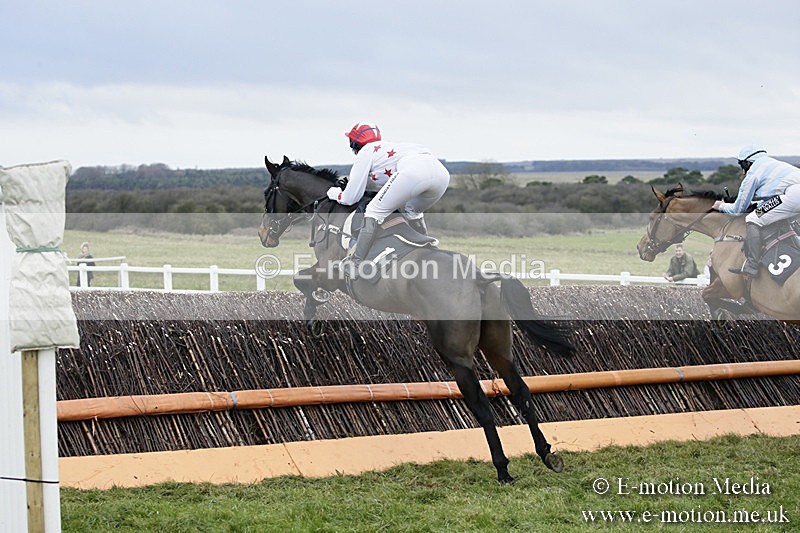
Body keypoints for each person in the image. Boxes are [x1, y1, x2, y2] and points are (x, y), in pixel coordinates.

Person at [326, 122, 450, 277]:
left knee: (373, 211)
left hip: (414, 172)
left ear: (355, 142)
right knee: (413, 211)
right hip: (442, 175)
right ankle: (427, 251)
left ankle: (356, 263)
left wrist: (334, 193)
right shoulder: (390, 147)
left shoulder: (366, 151)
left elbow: (351, 198)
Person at [712, 144, 800, 277]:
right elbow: (770, 201)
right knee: (783, 218)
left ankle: (752, 265)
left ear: (748, 163)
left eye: (742, 166)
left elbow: (737, 210)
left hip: (793, 196)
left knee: (752, 218)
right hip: (792, 195)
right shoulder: (772, 164)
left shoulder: (752, 175)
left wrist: (721, 206)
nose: (742, 172)